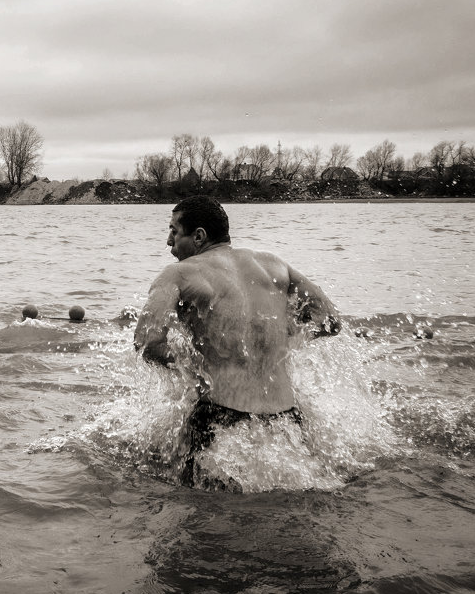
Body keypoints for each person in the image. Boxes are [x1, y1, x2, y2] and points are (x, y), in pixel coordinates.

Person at [133, 195, 340, 481]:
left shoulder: (177, 274)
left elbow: (147, 342)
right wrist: (281, 342)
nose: (168, 241)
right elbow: (330, 321)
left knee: (191, 510)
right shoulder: (274, 264)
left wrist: (192, 367)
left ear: (199, 236)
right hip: (288, 418)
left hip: (219, 418)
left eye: (173, 231)